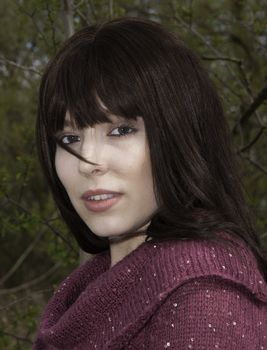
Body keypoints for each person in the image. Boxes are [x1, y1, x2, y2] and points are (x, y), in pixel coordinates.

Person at [33, 17, 267, 350]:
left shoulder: (205, 302)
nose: (89, 161)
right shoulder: (86, 294)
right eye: (69, 138)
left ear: (179, 134)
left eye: (121, 131)